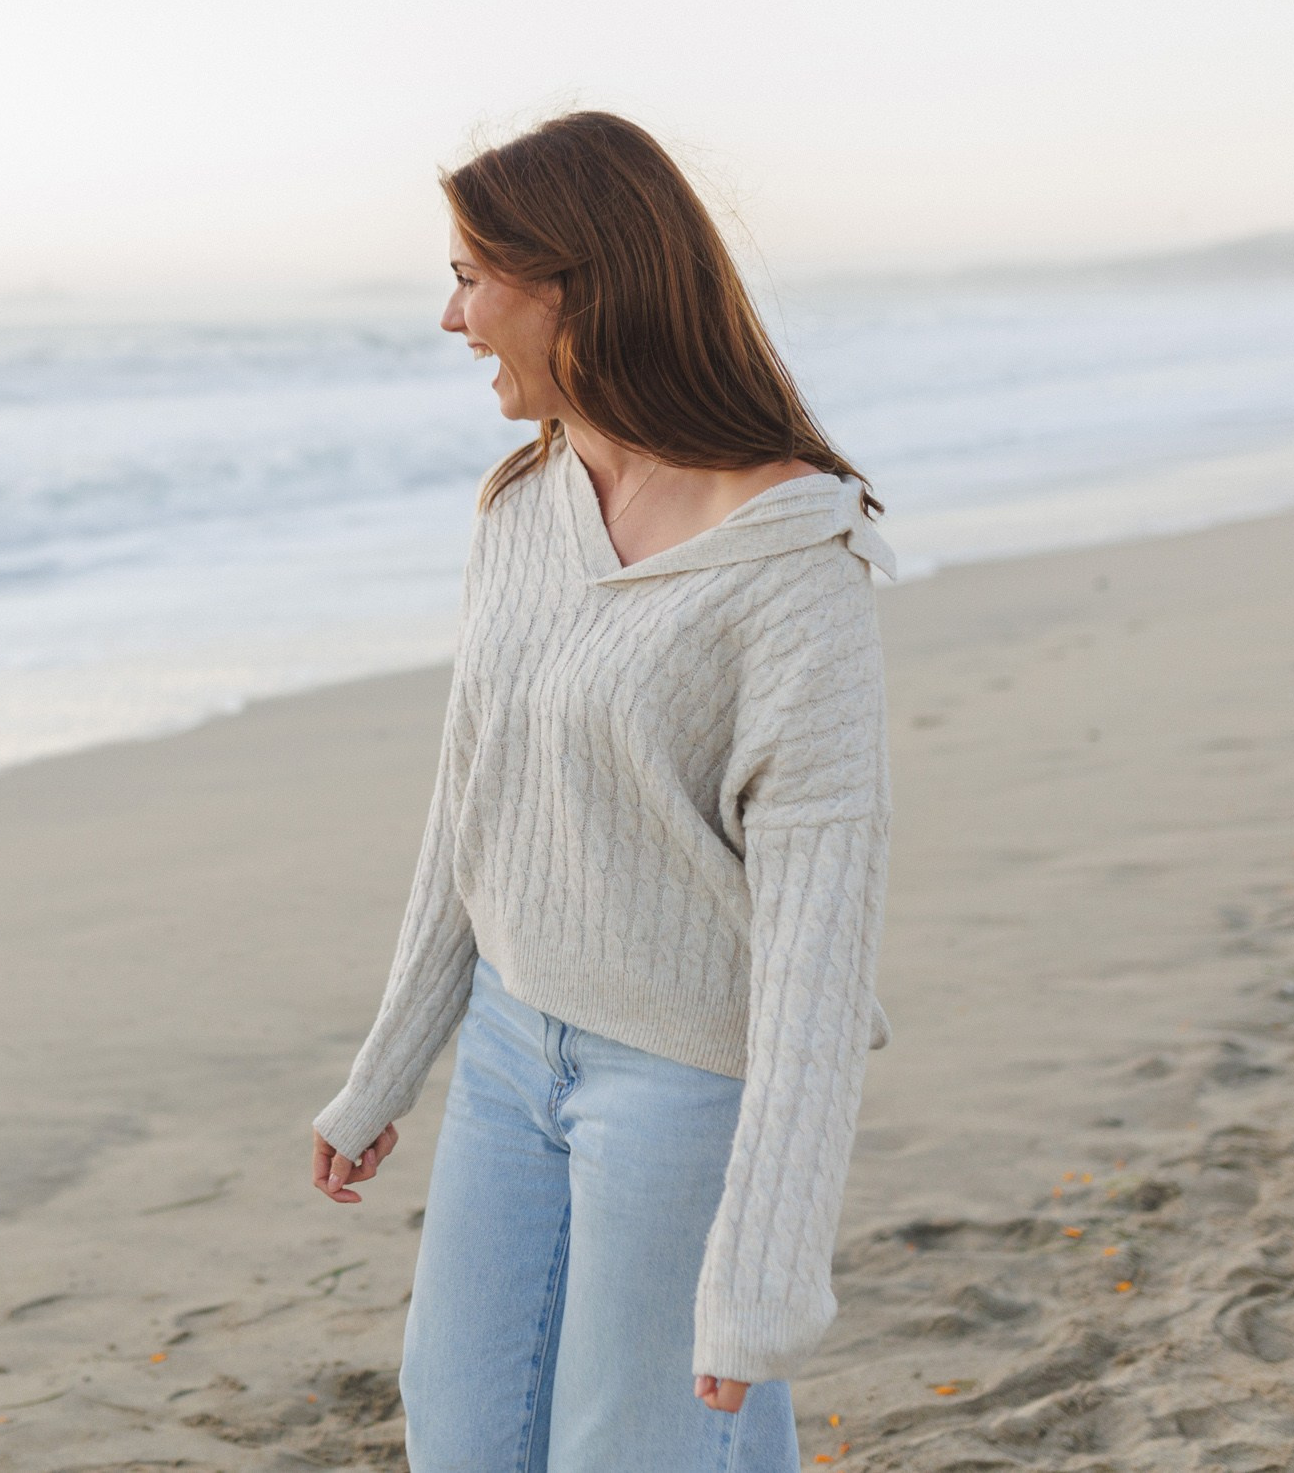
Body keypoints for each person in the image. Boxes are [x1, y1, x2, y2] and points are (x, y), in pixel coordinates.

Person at [308, 112, 894, 1471]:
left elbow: (819, 941)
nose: (453, 317)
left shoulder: (792, 564)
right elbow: (473, 810)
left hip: (680, 1083)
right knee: (459, 1435)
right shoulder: (524, 506)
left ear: (576, 284)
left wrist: (767, 1269)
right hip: (512, 1053)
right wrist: (390, 1065)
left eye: (471, 276)